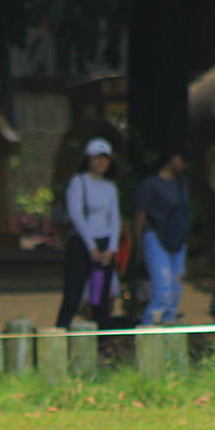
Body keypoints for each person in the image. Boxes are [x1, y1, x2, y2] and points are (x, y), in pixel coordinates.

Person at [54, 137, 121, 330]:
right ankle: (60, 334)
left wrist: (112, 248)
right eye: (97, 157)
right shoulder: (79, 181)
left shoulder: (110, 187)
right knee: (73, 295)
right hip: (81, 246)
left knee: (101, 297)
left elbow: (115, 219)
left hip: (104, 248)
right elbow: (76, 215)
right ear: (88, 159)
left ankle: (101, 343)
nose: (101, 162)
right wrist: (90, 246)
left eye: (105, 158)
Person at [134, 138, 192, 326]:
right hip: (155, 238)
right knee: (163, 293)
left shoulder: (182, 182)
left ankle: (167, 344)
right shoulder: (150, 184)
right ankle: (145, 340)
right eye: (182, 158)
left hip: (178, 241)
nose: (184, 163)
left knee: (174, 294)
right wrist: (139, 248)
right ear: (172, 158)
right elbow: (139, 219)